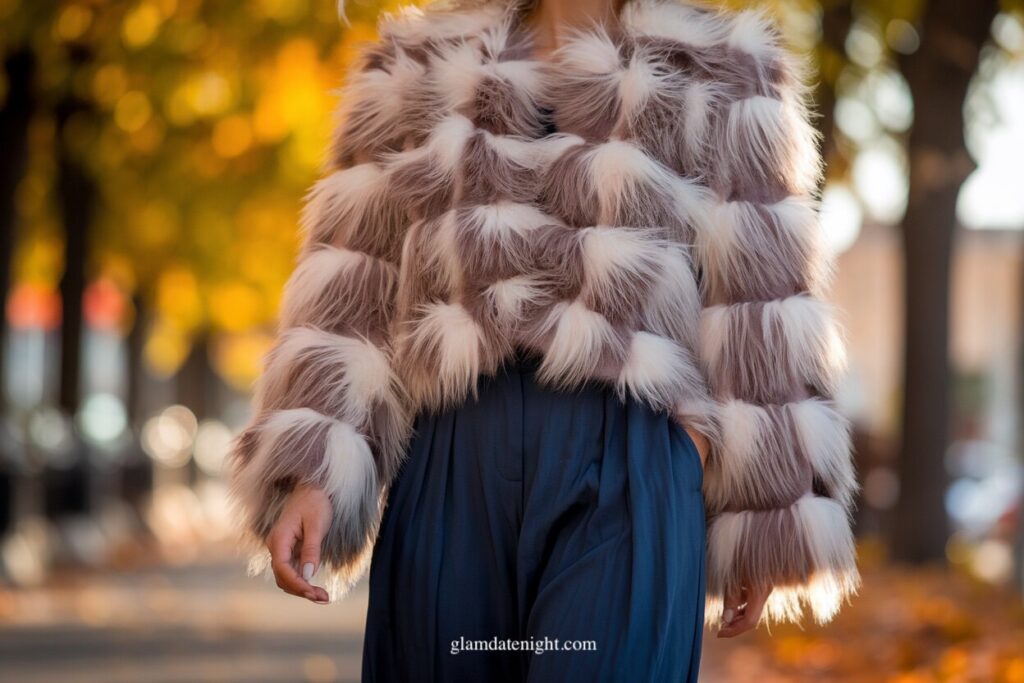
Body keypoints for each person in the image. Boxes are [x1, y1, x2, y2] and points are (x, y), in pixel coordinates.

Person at [227, 0, 860, 679]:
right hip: (451, 455)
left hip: (633, 456)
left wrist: (761, 514)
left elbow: (759, 302)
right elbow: (355, 291)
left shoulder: (725, 71)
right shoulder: (412, 68)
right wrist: (315, 471)